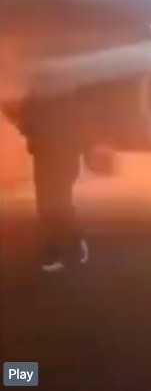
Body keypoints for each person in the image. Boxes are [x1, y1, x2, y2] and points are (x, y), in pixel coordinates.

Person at [17, 77, 91, 273]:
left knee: (52, 206)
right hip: (58, 158)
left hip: (49, 159)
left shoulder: (41, 99)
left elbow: (25, 122)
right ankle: (68, 248)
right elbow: (81, 128)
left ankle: (61, 250)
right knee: (57, 205)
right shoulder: (69, 99)